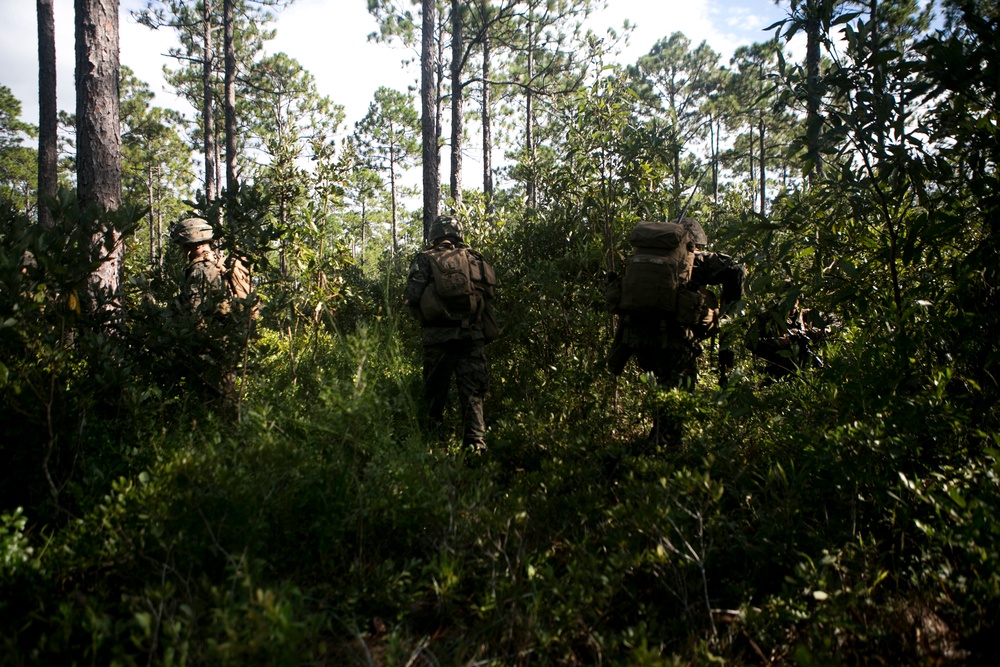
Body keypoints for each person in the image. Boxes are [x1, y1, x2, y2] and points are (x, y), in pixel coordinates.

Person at [606, 217, 744, 444]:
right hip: (672, 339)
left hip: (637, 337)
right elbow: (735, 270)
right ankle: (664, 450)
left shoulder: (644, 259)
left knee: (663, 388)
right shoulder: (695, 261)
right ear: (694, 243)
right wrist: (728, 323)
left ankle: (657, 440)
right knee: (677, 395)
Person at [404, 215, 497, 453]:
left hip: (437, 340)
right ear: (458, 234)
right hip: (471, 337)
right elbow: (489, 296)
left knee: (434, 396)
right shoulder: (475, 258)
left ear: (434, 234)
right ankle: (475, 448)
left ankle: (432, 450)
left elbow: (412, 295)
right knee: (473, 397)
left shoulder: (424, 259)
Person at [169, 217, 248, 410]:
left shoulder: (200, 269)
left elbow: (194, 313)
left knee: (214, 398)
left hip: (211, 343)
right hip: (226, 337)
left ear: (190, 244)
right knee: (224, 392)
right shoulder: (216, 263)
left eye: (182, 244)